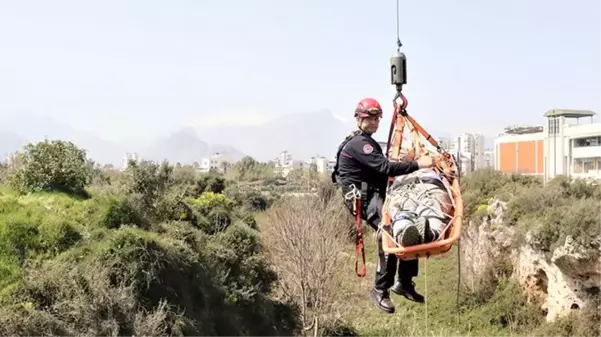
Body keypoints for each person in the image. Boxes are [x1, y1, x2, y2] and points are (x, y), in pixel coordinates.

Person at [331, 97, 435, 314]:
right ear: (359, 118)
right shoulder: (360, 143)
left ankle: (404, 282)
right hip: (365, 200)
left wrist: (405, 161)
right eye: (371, 118)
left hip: (373, 195)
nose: (375, 122)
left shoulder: (365, 141)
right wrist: (417, 164)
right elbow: (385, 167)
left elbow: (382, 166)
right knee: (390, 233)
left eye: (378, 118)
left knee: (409, 227)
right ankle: (380, 289)